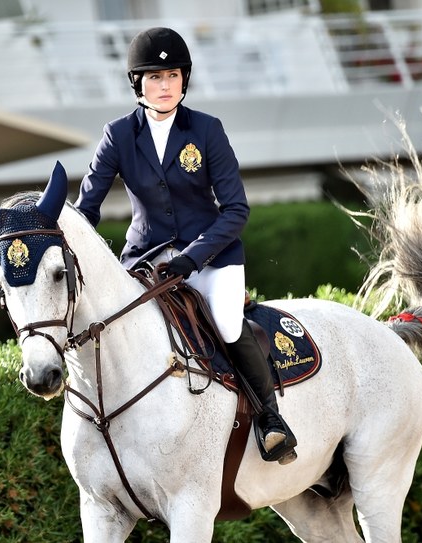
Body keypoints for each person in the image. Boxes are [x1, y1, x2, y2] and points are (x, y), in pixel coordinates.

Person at [74, 27, 296, 464]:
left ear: (184, 79)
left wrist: (193, 257)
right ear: (137, 83)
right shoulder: (118, 135)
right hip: (146, 258)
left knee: (229, 325)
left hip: (211, 256)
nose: (164, 86)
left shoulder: (207, 130)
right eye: (154, 77)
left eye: (172, 75)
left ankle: (271, 420)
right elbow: (87, 208)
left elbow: (235, 209)